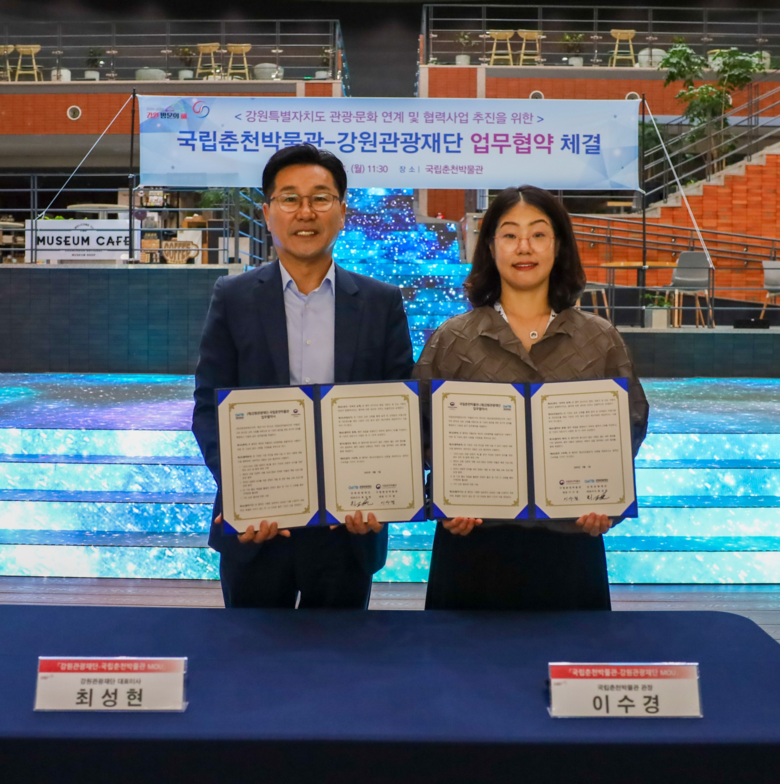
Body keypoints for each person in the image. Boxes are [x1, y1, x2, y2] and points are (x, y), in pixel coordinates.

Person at [192, 144, 414, 609]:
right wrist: (241, 493)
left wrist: (385, 492)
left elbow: (399, 411)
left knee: (340, 654)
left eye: (320, 198)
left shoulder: (381, 302)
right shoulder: (233, 297)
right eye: (290, 199)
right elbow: (209, 407)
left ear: (342, 211)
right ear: (267, 212)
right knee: (251, 651)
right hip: (257, 530)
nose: (305, 212)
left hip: (349, 530)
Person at [413, 185, 649, 611]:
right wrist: (442, 497)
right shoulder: (453, 339)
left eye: (539, 234)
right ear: (490, 247)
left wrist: (607, 497)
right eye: (509, 234)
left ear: (558, 246)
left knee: (572, 652)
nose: (524, 247)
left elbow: (630, 424)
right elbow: (418, 431)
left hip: (571, 546)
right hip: (473, 548)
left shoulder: (599, 339)